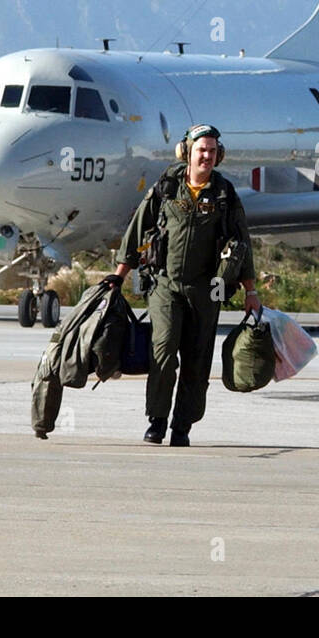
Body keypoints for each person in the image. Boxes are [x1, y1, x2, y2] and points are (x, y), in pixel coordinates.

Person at [108, 124, 261, 447]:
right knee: (162, 351)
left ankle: (183, 426)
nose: (206, 156)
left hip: (208, 290)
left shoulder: (224, 195)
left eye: (211, 150)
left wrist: (251, 291)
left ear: (219, 154)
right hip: (165, 285)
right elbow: (138, 231)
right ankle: (157, 421)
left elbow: (241, 243)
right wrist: (118, 277)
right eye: (200, 150)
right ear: (186, 152)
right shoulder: (167, 187)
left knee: (197, 359)